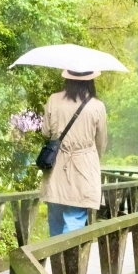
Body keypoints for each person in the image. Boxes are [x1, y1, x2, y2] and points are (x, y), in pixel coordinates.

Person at [39, 69, 108, 236]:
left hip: (56, 166)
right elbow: (101, 142)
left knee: (55, 217)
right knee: (75, 218)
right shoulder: (97, 106)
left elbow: (45, 133)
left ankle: (56, 258)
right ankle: (68, 259)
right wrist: (91, 159)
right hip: (83, 169)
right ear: (90, 81)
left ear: (68, 79)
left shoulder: (53, 100)